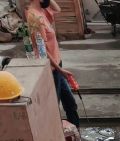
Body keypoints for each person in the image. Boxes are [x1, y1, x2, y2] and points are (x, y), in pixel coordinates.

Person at [26, 0, 80, 129]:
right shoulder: (34, 17)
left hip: (57, 65)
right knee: (54, 105)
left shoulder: (41, 11)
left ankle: (75, 133)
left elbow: (57, 9)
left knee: (70, 103)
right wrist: (59, 69)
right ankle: (55, 135)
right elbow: (42, 49)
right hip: (52, 69)